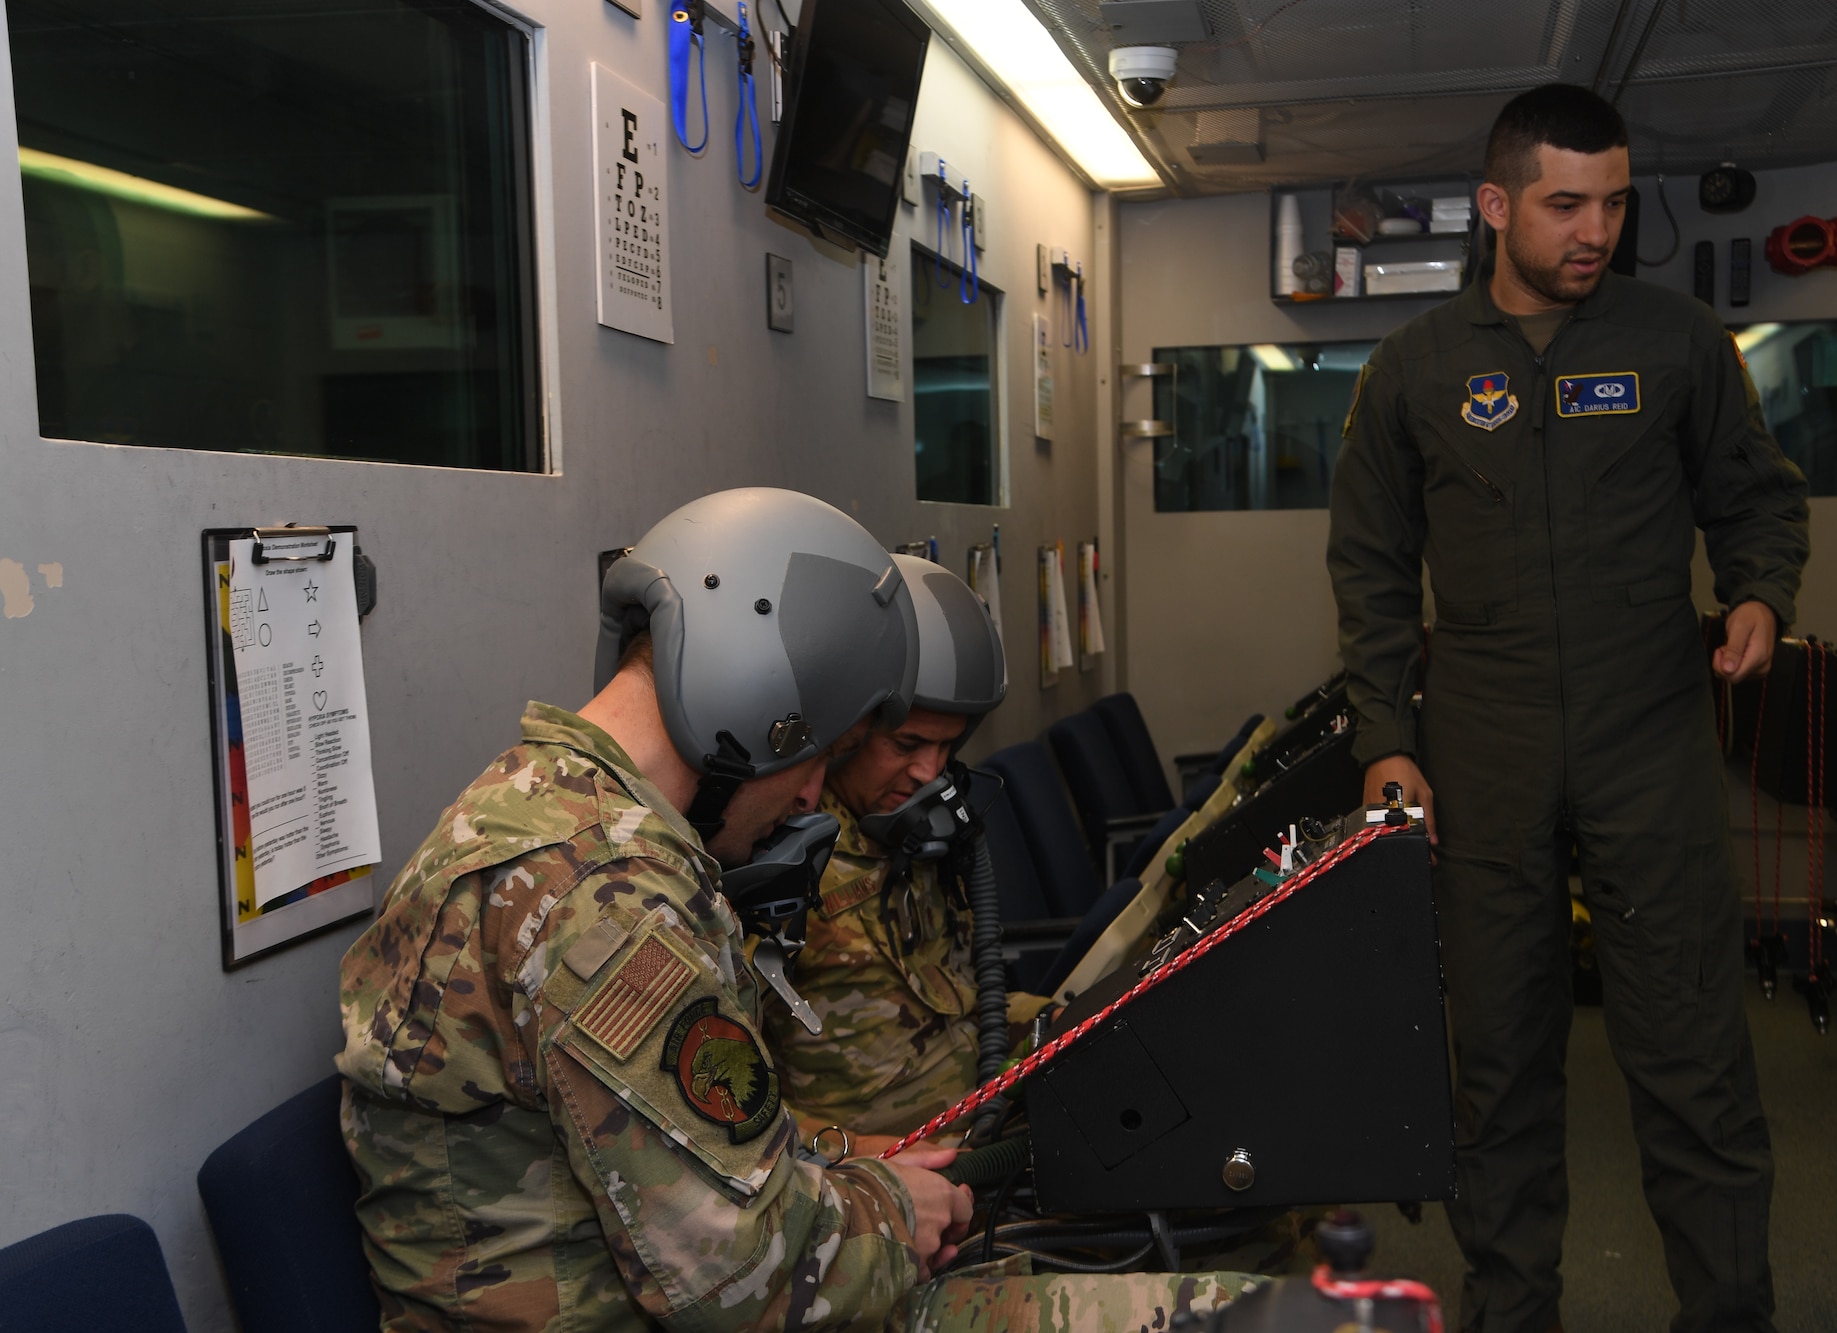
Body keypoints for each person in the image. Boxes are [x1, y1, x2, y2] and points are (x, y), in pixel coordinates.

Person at [338, 488, 1251, 1331]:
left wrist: (853, 1165)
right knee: (1237, 1313)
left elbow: (685, 1145)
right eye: (819, 753)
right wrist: (898, 1205)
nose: (816, 794)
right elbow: (745, 1281)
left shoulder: (541, 808)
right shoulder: (609, 900)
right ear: (754, 703)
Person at [1327, 85, 1808, 1333]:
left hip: (1645, 733)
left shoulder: (1674, 343)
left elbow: (1752, 498)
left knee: (1693, 1060)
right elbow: (1370, 567)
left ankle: (1727, 1315)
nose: (1593, 228)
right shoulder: (1413, 372)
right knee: (1497, 1073)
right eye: (1562, 203)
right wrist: (1384, 735)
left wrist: (1758, 594)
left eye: (1610, 202)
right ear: (1495, 207)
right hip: (1480, 745)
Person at [762, 554, 1035, 1158]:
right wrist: (859, 1152)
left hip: (977, 1143)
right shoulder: (774, 857)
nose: (928, 773)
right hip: (872, 1183)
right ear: (844, 733)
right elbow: (721, 1104)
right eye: (907, 744)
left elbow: (967, 1003)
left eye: (946, 748)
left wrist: (1075, 1021)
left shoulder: (916, 836)